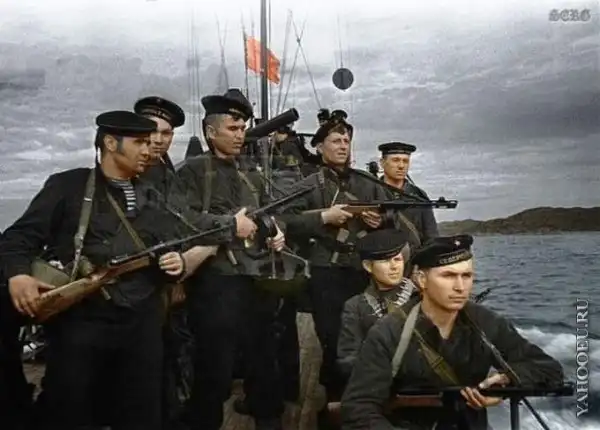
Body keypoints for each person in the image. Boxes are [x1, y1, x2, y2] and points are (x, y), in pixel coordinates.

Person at [0, 111, 222, 430]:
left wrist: (174, 263)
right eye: (139, 142)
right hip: (82, 323)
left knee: (141, 414)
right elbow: (19, 238)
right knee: (70, 411)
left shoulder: (152, 194)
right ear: (109, 143)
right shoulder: (69, 186)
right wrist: (18, 275)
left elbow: (172, 241)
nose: (148, 149)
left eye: (149, 141)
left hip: (142, 325)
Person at [341, 235, 564, 430]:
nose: (460, 287)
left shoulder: (485, 321)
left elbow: (548, 368)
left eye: (466, 276)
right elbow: (358, 409)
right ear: (421, 280)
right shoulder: (389, 331)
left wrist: (508, 380)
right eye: (448, 276)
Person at [176, 88, 290, 430]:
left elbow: (271, 210)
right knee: (214, 366)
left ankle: (268, 420)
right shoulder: (192, 172)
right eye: (233, 128)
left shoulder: (250, 171)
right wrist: (229, 225)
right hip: (216, 282)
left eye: (243, 128)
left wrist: (278, 231)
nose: (240, 135)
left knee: (264, 360)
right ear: (211, 132)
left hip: (257, 278)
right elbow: (182, 219)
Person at [280, 116, 392, 424]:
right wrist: (323, 218)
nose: (343, 146)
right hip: (325, 272)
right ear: (319, 147)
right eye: (335, 141)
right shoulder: (307, 185)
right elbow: (285, 221)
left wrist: (380, 220)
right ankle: (333, 404)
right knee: (331, 339)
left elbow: (391, 218)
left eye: (346, 141)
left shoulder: (368, 183)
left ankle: (363, 402)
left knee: (368, 335)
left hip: (361, 271)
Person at [337, 229, 415, 383]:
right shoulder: (356, 306)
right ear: (368, 266)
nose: (394, 266)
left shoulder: (421, 297)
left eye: (397, 259)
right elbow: (348, 359)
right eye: (385, 261)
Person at [378, 142, 438, 245]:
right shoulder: (371, 191)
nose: (401, 166)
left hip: (414, 253)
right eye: (395, 160)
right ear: (382, 163)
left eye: (405, 161)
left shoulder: (418, 195)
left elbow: (431, 235)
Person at [134, 96, 185, 195]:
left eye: (165, 133)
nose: (159, 140)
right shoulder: (122, 173)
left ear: (172, 136)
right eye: (153, 132)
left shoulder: (173, 179)